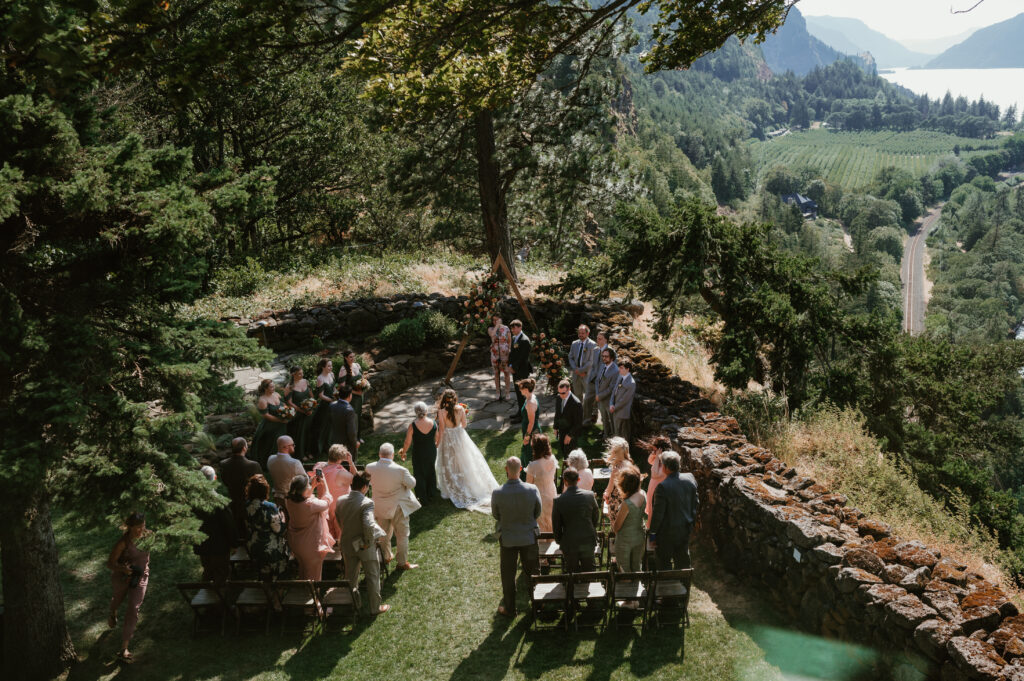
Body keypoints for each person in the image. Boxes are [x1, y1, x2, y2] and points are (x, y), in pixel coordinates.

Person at [435, 388, 501, 512]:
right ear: (455, 399)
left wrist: (438, 443)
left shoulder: (441, 412)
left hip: (448, 438)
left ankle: (453, 487)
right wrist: (457, 426)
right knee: (465, 460)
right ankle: (466, 482)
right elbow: (464, 425)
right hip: (460, 436)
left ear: (444, 399)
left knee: (449, 462)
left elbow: (442, 429)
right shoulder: (460, 409)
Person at [491, 456, 542, 617]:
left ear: (506, 469)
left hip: (508, 539)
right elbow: (537, 512)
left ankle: (510, 609)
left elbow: (495, 514)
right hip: (529, 537)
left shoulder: (498, 492)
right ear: (520, 469)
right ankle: (537, 605)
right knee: (533, 572)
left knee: (508, 575)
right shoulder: (532, 489)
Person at [336, 474, 390, 616]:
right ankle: (375, 608)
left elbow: (338, 518)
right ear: (365, 487)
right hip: (363, 546)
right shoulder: (367, 503)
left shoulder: (340, 500)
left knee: (351, 578)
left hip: (347, 544)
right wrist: (367, 541)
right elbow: (368, 524)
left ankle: (355, 605)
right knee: (372, 576)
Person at [366, 443, 421, 570]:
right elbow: (412, 484)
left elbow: (367, 482)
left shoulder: (369, 467)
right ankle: (402, 563)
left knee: (383, 534)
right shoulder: (400, 470)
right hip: (398, 506)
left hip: (379, 506)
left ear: (380, 454)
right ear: (392, 455)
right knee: (402, 535)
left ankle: (385, 557)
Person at [107, 512, 150, 663]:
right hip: (123, 576)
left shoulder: (149, 536)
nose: (141, 530)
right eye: (138, 527)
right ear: (130, 527)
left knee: (133, 607)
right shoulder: (123, 543)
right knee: (118, 599)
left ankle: (124, 647)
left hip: (141, 576)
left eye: (143, 526)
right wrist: (124, 569)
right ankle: (113, 611)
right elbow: (110, 563)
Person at [649, 452, 699, 570]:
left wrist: (652, 535)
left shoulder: (662, 487)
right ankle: (684, 587)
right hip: (685, 529)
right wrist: (691, 521)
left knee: (663, 564)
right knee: (683, 563)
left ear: (665, 467)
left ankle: (665, 587)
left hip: (666, 534)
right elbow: (696, 502)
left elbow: (658, 514)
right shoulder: (690, 478)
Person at [194, 466, 238, 585]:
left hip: (203, 544)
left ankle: (207, 597)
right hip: (219, 547)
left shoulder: (194, 501)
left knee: (208, 570)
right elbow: (229, 524)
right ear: (215, 478)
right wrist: (234, 543)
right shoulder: (219, 501)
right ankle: (219, 600)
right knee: (221, 574)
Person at [285, 473, 334, 580]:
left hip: (296, 543)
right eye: (308, 484)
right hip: (310, 545)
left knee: (303, 570)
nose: (310, 485)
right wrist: (324, 483)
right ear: (303, 489)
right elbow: (327, 501)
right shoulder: (311, 504)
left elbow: (302, 498)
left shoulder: (289, 501)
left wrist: (312, 487)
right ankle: (313, 596)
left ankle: (303, 594)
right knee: (314, 576)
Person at [552, 469, 600, 573]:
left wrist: (560, 540)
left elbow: (556, 525)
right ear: (578, 479)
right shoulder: (590, 496)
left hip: (569, 542)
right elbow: (596, 516)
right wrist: (591, 527)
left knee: (571, 572)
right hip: (588, 539)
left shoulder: (558, 500)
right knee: (589, 571)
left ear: (565, 481)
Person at [244, 475, 290, 580]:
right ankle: (276, 587)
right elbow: (279, 530)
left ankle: (265, 586)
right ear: (265, 490)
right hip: (270, 547)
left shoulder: (246, 505)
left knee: (263, 573)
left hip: (254, 546)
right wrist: (283, 518)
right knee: (277, 573)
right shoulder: (270, 507)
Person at [219, 437, 262, 538]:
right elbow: (261, 485)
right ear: (244, 448)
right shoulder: (253, 465)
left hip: (233, 500)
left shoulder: (223, 464)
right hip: (250, 503)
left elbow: (225, 481)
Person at [314, 444, 355, 543]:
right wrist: (350, 462)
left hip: (325, 509)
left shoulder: (318, 467)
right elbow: (356, 479)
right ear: (341, 458)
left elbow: (324, 464)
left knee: (330, 539)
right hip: (339, 511)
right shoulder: (341, 473)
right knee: (343, 539)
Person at [401, 401, 438, 502]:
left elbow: (407, 442)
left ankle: (422, 496)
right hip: (431, 451)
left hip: (418, 452)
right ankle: (432, 493)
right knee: (431, 470)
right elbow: (437, 438)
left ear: (415, 412)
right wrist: (434, 446)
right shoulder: (434, 423)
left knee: (419, 473)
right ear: (426, 411)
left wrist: (403, 452)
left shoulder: (412, 425)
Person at [611, 468, 647, 572]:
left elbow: (617, 527)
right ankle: (636, 587)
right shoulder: (643, 494)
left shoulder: (627, 504)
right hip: (639, 537)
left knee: (624, 571)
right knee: (637, 567)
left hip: (625, 540)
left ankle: (626, 588)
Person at [251, 379, 289, 469]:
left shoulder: (277, 395)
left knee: (281, 443)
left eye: (273, 386)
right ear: (265, 388)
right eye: (271, 387)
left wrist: (288, 413)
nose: (273, 388)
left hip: (281, 425)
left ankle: (281, 461)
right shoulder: (262, 400)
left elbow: (284, 406)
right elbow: (266, 415)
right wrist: (280, 420)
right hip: (270, 426)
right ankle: (268, 464)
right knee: (270, 445)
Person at [525, 433, 557, 533]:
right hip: (552, 494)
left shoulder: (533, 466)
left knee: (541, 526)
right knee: (552, 522)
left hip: (540, 498)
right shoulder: (553, 459)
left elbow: (528, 486)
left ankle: (542, 545)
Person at [284, 366, 315, 461]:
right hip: (298, 413)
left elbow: (311, 395)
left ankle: (309, 451)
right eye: (299, 373)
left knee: (309, 432)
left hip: (308, 412)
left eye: (302, 373)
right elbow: (289, 402)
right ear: (293, 374)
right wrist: (301, 410)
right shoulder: (289, 387)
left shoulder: (305, 381)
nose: (302, 375)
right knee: (300, 434)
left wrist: (311, 406)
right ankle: (300, 454)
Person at [641, 436, 672, 528]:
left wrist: (658, 457)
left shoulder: (665, 462)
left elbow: (655, 474)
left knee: (655, 510)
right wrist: (654, 454)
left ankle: (652, 529)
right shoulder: (658, 459)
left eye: (655, 450)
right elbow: (650, 461)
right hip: (653, 489)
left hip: (658, 490)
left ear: (661, 450)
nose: (654, 452)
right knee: (651, 508)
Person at [267, 435, 304, 510]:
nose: (294, 446)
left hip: (276, 496)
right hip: (292, 498)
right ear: (286, 447)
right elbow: (304, 481)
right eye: (292, 445)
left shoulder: (270, 459)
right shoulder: (295, 463)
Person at [602, 437, 634, 521]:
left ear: (615, 453)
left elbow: (610, 488)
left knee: (617, 525)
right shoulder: (630, 464)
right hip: (629, 499)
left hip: (617, 502)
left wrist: (606, 494)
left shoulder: (616, 469)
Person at [312, 358, 337, 458]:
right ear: (323, 367)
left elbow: (334, 387)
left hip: (333, 403)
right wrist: (331, 400)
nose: (331, 368)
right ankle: (320, 448)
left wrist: (336, 395)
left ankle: (329, 446)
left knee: (331, 426)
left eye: (331, 366)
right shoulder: (320, 378)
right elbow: (320, 395)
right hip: (325, 406)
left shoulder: (332, 375)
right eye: (329, 366)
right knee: (323, 426)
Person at [508, 320, 532, 422]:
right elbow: (512, 354)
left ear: (520, 327)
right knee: (518, 392)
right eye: (511, 328)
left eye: (514, 328)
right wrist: (510, 365)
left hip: (522, 370)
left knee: (523, 393)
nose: (512, 330)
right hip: (515, 369)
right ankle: (520, 411)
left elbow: (523, 357)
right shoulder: (514, 338)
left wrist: (514, 367)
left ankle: (523, 415)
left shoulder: (525, 340)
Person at [584, 330, 610, 426]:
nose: (597, 340)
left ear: (606, 340)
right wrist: (589, 377)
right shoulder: (595, 350)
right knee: (587, 401)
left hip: (603, 383)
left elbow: (611, 369)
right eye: (597, 338)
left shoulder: (611, 352)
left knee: (603, 406)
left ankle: (606, 429)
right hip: (592, 381)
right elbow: (593, 365)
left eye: (600, 339)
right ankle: (586, 421)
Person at [608, 358, 636, 444]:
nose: (619, 369)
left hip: (623, 412)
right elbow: (614, 391)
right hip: (615, 409)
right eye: (619, 367)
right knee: (616, 432)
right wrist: (611, 404)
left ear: (628, 369)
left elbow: (624, 400)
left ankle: (624, 454)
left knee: (623, 435)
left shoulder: (631, 383)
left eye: (621, 368)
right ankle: (615, 450)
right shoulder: (620, 377)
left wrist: (615, 407)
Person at [554, 378, 583, 459]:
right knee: (564, 452)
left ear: (569, 389)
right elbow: (557, 414)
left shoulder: (576, 403)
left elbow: (578, 423)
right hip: (562, 431)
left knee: (570, 456)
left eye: (563, 393)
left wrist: (570, 435)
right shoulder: (558, 398)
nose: (561, 395)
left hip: (571, 433)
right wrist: (555, 427)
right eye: (559, 393)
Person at [329, 383, 360, 461]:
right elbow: (351, 431)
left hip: (334, 441)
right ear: (350, 396)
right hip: (347, 444)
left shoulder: (332, 405)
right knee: (349, 465)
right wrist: (355, 442)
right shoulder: (349, 410)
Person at [567, 324, 598, 402]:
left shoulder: (592, 344)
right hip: (576, 374)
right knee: (577, 395)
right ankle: (579, 411)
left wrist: (581, 371)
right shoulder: (574, 343)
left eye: (582, 333)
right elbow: (570, 357)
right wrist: (576, 370)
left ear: (587, 334)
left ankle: (592, 412)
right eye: (579, 333)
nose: (580, 335)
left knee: (589, 395)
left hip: (587, 374)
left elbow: (591, 361)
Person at [593, 347, 618, 437]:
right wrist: (597, 394)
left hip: (609, 400)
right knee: (604, 420)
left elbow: (611, 388)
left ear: (612, 358)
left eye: (606, 356)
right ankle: (606, 437)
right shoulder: (602, 366)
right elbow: (597, 381)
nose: (604, 358)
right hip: (600, 399)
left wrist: (600, 396)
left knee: (611, 422)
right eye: (603, 356)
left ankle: (613, 439)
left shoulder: (615, 371)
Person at [518, 378, 540, 475]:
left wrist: (527, 437)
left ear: (526, 389)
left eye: (521, 388)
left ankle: (529, 478)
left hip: (531, 432)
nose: (520, 390)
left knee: (529, 456)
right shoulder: (529, 397)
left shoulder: (530, 403)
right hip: (530, 430)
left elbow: (531, 422)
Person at [488, 313, 513, 401]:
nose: (495, 321)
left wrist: (509, 350)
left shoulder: (506, 328)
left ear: (501, 319)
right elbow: (492, 337)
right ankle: (498, 393)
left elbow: (509, 341)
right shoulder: (491, 329)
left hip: (505, 354)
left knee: (506, 372)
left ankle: (507, 393)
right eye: (493, 320)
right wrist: (497, 326)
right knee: (496, 373)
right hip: (495, 354)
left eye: (497, 320)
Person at [350, 377, 370, 445]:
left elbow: (362, 377)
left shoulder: (357, 365)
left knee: (358, 417)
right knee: (353, 418)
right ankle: (353, 438)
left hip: (359, 398)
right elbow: (342, 386)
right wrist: (355, 392)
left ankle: (358, 437)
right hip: (353, 398)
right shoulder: (344, 370)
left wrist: (364, 384)